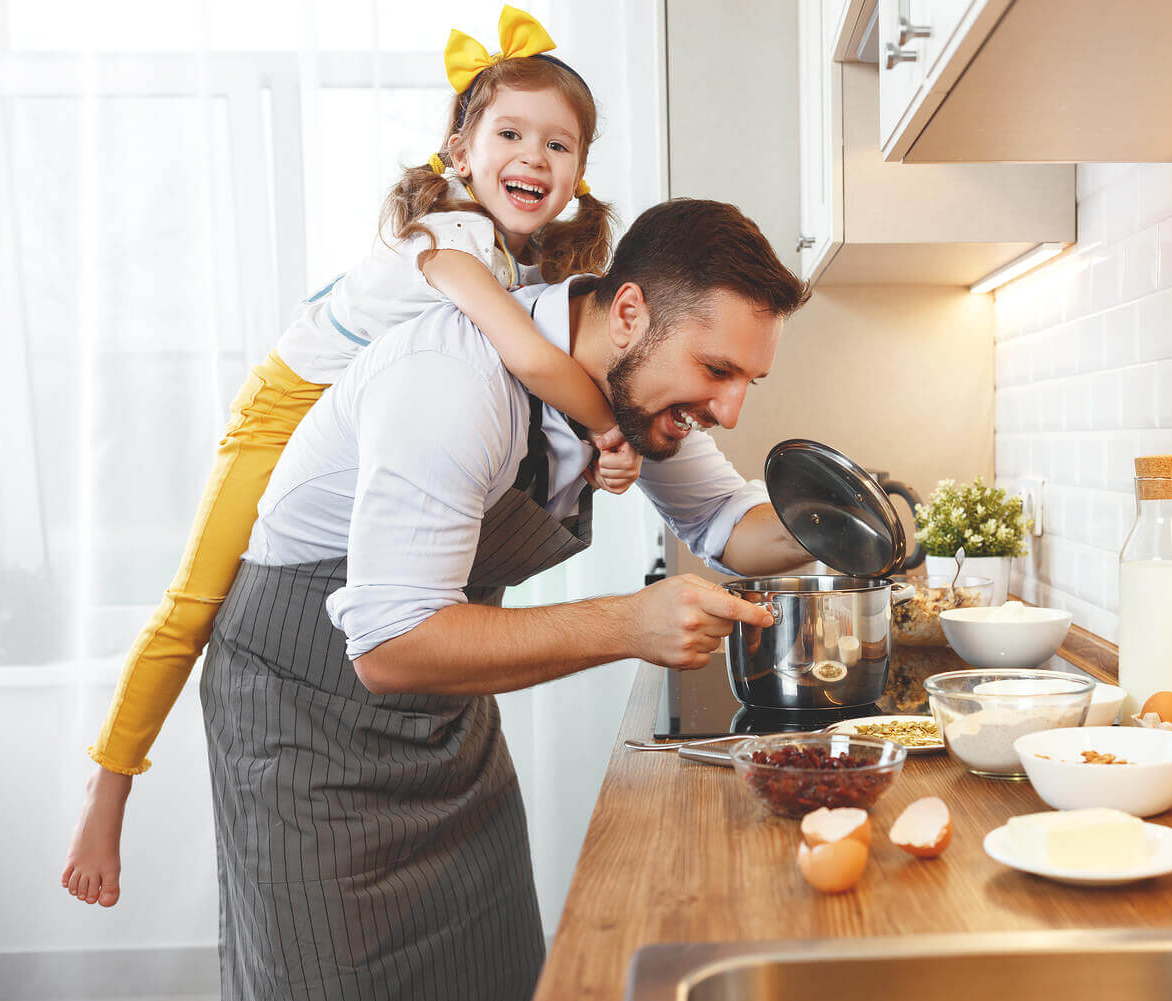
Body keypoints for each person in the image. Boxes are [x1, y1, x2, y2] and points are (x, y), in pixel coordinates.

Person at [61, 5, 639, 909]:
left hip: (348, 420)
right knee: (195, 601)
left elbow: (529, 391)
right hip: (286, 405)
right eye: (510, 133)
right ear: (459, 150)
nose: (534, 156)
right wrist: (613, 428)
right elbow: (531, 361)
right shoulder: (451, 237)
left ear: (578, 174)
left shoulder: (525, 267)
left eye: (558, 145)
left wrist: (592, 452)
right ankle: (107, 789)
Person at [201, 196, 811, 1000]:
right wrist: (630, 622)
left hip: (444, 725)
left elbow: (729, 523)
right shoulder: (454, 382)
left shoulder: (626, 388)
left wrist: (858, 520)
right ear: (630, 312)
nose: (729, 410)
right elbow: (389, 647)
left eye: (747, 380)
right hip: (307, 728)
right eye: (717, 370)